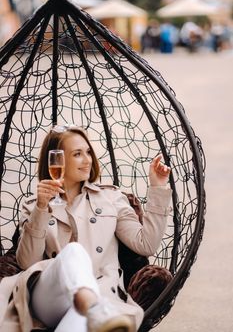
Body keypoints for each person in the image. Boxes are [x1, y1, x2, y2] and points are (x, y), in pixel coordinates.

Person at [0, 125, 172, 332]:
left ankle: (91, 308)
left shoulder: (111, 198)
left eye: (88, 152)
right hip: (47, 297)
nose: (87, 160)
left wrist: (158, 187)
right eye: (77, 154)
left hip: (102, 292)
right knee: (74, 252)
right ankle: (93, 307)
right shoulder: (35, 204)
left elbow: (146, 244)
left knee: (79, 322)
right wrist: (41, 209)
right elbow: (28, 262)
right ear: (57, 161)